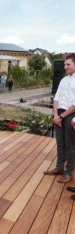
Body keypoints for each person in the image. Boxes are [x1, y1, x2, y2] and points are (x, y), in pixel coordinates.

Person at [44, 53, 75, 184]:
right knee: (60, 144)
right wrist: (56, 115)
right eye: (64, 64)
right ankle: (59, 168)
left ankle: (68, 173)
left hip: (70, 115)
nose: (65, 67)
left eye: (68, 64)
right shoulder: (63, 79)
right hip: (59, 114)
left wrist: (61, 116)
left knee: (70, 146)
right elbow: (56, 98)